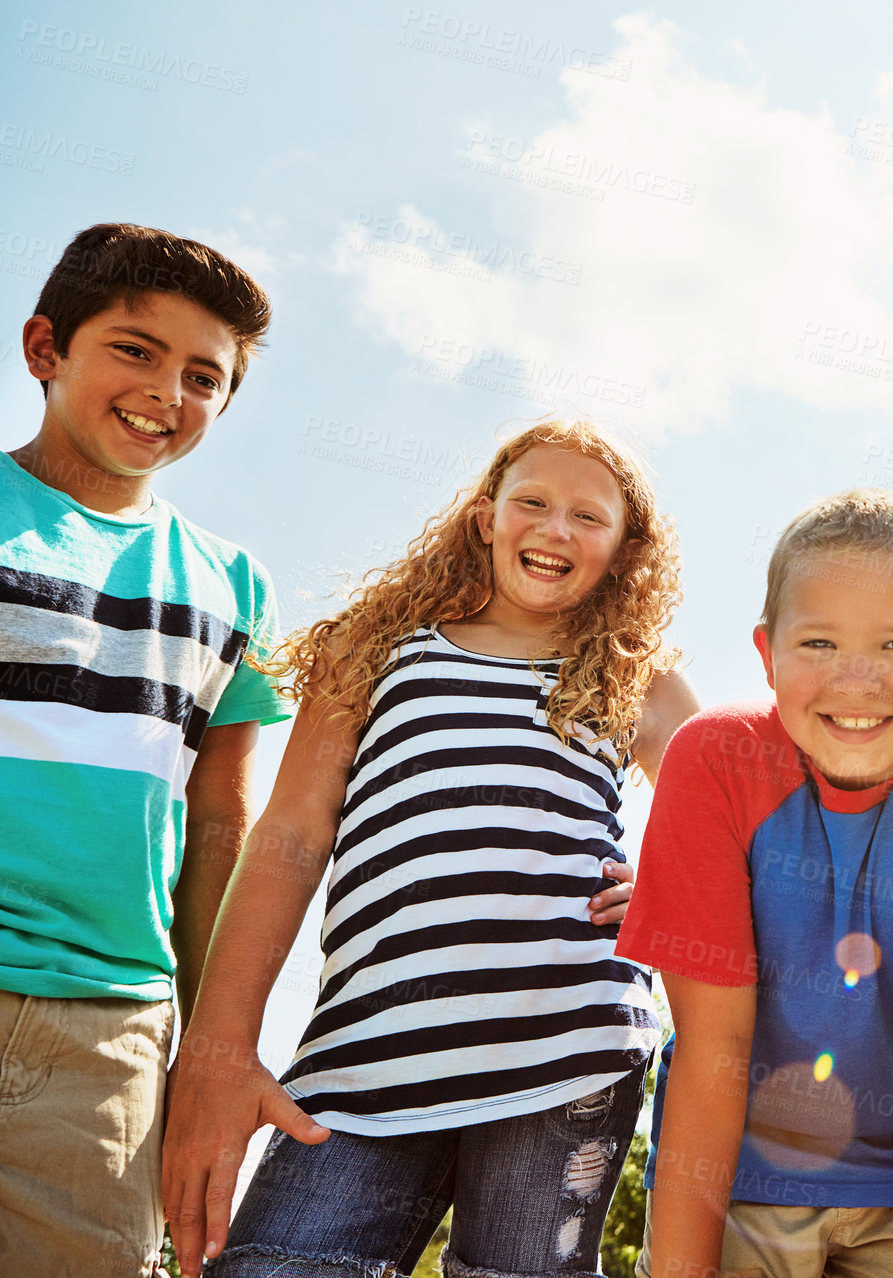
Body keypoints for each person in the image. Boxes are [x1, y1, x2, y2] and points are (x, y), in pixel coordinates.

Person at [161, 419, 699, 1277]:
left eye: (589, 517)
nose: (556, 529)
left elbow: (730, 825)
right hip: (363, 1058)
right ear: (485, 518)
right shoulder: (375, 652)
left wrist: (681, 891)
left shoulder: (640, 674)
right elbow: (291, 836)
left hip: (569, 1052)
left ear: (626, 549)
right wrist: (222, 1045)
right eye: (533, 502)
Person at [618, 488, 893, 1278]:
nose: (857, 682)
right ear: (767, 655)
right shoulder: (712, 759)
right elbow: (716, 1045)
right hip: (742, 1174)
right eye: (817, 643)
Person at [0, 223, 286, 1276]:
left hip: (109, 1033)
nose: (168, 390)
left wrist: (213, 1046)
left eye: (203, 376)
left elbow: (222, 825)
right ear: (46, 349)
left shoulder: (233, 586)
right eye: (135, 348)